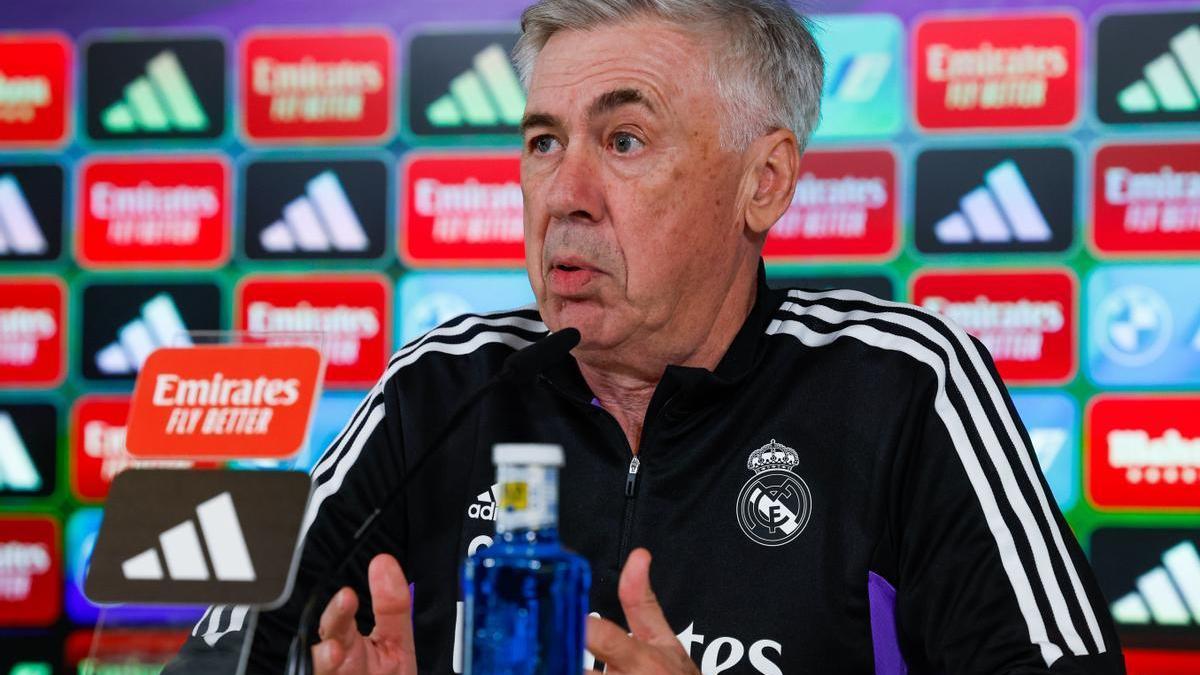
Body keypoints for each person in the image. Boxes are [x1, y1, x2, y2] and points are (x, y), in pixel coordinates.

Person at [167, 0, 1126, 673]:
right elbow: (213, 655)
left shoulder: (904, 388)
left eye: (623, 141)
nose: (565, 197)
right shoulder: (444, 390)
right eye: (544, 142)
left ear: (766, 181)